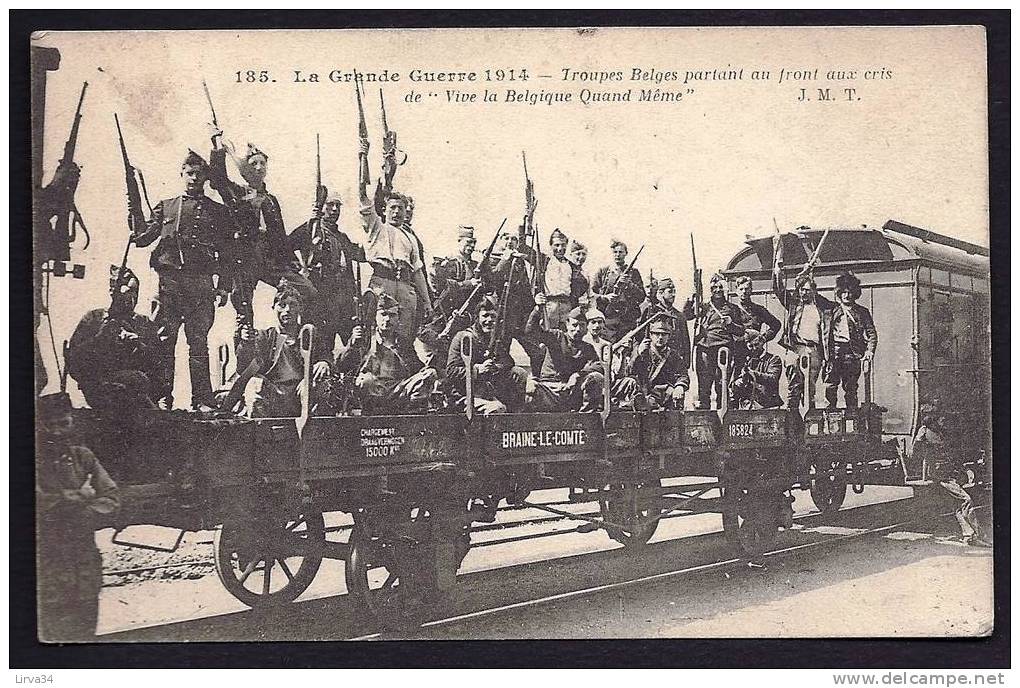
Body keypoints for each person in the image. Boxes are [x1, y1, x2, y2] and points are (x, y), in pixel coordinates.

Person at [130, 150, 234, 410]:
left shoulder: (217, 212)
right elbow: (143, 238)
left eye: (199, 174)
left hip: (201, 285)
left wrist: (223, 287)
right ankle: (164, 397)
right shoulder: (166, 206)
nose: (194, 178)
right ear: (181, 174)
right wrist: (132, 208)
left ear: (205, 178)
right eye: (189, 173)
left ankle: (202, 400)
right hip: (171, 285)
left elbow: (228, 253)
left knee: (198, 344)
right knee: (166, 342)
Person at [36, 392, 120, 641]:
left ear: (73, 422)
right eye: (50, 425)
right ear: (40, 426)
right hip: (49, 563)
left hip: (84, 562)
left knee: (85, 629)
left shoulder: (83, 457)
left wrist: (78, 508)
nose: (58, 432)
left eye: (64, 423)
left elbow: (111, 498)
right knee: (50, 632)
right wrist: (79, 497)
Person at [208, 127, 294, 339]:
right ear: (246, 169)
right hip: (246, 256)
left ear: (267, 168)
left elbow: (280, 236)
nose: (258, 167)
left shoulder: (272, 200)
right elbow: (218, 180)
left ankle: (291, 341)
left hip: (270, 258)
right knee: (244, 309)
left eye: (262, 163)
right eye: (253, 164)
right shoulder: (238, 193)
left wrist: (290, 260)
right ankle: (246, 354)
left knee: (302, 290)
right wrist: (218, 148)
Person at [357, 137, 432, 345]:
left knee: (405, 339)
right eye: (393, 208)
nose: (397, 211)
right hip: (382, 284)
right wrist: (363, 157)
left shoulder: (410, 238)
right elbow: (362, 194)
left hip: (406, 290)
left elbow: (417, 273)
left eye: (401, 208)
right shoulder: (376, 228)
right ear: (384, 210)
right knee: (376, 337)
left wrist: (426, 302)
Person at [219, 280, 330, 418]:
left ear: (300, 308)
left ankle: (317, 435)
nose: (287, 310)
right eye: (282, 305)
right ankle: (260, 434)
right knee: (255, 383)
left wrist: (324, 363)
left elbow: (325, 356)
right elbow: (245, 369)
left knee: (325, 386)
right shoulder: (265, 337)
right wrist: (246, 343)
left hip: (301, 394)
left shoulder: (309, 335)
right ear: (274, 308)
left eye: (293, 305)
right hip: (273, 395)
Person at [66, 265, 161, 412]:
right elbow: (74, 362)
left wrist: (139, 344)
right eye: (127, 292)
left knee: (138, 381)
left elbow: (159, 365)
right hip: (100, 388)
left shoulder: (144, 323)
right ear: (113, 292)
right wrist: (101, 338)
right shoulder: (94, 319)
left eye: (135, 292)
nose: (131, 298)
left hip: (138, 390)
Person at [288, 191, 365, 358]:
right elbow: (285, 246)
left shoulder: (342, 237)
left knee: (354, 347)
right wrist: (300, 269)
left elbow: (362, 255)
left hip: (343, 301)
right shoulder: (311, 229)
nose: (335, 209)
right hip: (320, 301)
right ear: (321, 206)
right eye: (330, 205)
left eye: (338, 206)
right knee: (320, 349)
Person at [337, 293, 437, 414]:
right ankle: (373, 414)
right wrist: (352, 345)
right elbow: (341, 366)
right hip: (373, 389)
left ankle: (409, 415)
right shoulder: (365, 339)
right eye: (383, 314)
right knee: (366, 380)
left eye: (392, 315)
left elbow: (417, 369)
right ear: (375, 317)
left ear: (398, 318)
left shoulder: (403, 342)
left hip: (397, 390)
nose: (387, 319)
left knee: (429, 374)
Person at [911, 402, 991, 547]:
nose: (943, 420)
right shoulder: (925, 432)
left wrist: (965, 469)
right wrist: (919, 442)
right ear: (932, 419)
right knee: (966, 500)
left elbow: (951, 456)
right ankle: (980, 535)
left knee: (958, 505)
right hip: (941, 475)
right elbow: (915, 453)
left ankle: (969, 535)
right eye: (939, 417)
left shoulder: (940, 433)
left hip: (948, 473)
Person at [446, 296, 529, 414]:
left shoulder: (494, 338)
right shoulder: (464, 338)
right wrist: (477, 370)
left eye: (493, 316)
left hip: (487, 391)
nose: (489, 320)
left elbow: (508, 362)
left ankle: (516, 417)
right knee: (498, 409)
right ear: (477, 318)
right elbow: (451, 371)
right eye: (485, 316)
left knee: (519, 373)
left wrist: (495, 367)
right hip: (464, 395)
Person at [525, 300, 604, 412]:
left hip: (571, 391)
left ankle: (585, 419)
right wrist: (537, 309)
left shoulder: (587, 347)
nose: (577, 329)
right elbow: (531, 331)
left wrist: (578, 375)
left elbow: (598, 366)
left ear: (586, 328)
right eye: (574, 325)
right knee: (531, 389)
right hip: (550, 389)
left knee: (596, 377)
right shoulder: (556, 336)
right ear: (567, 324)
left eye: (582, 325)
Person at [773, 271, 833, 410]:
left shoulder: (823, 308)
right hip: (795, 349)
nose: (804, 293)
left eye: (807, 289)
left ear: (813, 290)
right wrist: (778, 270)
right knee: (794, 386)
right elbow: (778, 289)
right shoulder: (793, 304)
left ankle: (809, 421)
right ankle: (792, 419)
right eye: (801, 290)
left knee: (809, 388)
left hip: (814, 350)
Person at [821, 271, 878, 408]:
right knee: (830, 385)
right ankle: (831, 414)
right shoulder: (831, 309)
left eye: (850, 292)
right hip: (833, 353)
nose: (847, 295)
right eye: (844, 292)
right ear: (839, 293)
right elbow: (816, 297)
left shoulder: (862, 312)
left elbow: (872, 334)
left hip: (852, 353)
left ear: (855, 293)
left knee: (851, 387)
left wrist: (870, 351)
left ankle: (852, 416)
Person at [692, 273, 746, 409]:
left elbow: (741, 330)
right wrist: (692, 299)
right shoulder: (703, 307)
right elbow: (687, 315)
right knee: (704, 385)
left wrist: (731, 324)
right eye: (714, 287)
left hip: (723, 349)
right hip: (704, 348)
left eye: (720, 287)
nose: (717, 290)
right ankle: (704, 416)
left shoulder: (733, 309)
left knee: (722, 385)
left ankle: (723, 414)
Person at [616, 315, 690, 410]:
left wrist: (679, 386)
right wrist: (638, 353)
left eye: (664, 334)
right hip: (643, 396)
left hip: (664, 396)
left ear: (669, 337)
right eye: (656, 334)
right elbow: (629, 373)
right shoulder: (643, 352)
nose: (660, 338)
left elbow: (683, 375)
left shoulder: (673, 355)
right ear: (651, 335)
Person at [593, 239, 646, 341]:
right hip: (608, 319)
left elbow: (641, 297)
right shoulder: (603, 272)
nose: (617, 255)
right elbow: (592, 294)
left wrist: (629, 284)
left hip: (627, 319)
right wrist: (605, 297)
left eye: (620, 252)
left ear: (626, 254)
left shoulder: (634, 273)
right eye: (615, 252)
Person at [537, 228, 588, 331]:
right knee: (548, 335)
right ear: (551, 246)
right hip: (550, 305)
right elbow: (523, 248)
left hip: (567, 306)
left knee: (566, 336)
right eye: (556, 245)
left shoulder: (571, 265)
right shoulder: (544, 260)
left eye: (563, 245)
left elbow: (582, 284)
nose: (560, 248)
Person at [640, 276, 692, 368]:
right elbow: (641, 335)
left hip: (674, 360)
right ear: (661, 293)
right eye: (670, 292)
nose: (673, 295)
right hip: (655, 359)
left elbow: (685, 341)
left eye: (674, 292)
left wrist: (686, 362)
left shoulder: (679, 316)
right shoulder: (652, 312)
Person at [730, 330, 784, 409]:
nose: (754, 348)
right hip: (747, 406)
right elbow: (732, 385)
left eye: (756, 344)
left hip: (769, 406)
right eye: (750, 346)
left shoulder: (773, 359)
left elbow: (773, 378)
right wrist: (738, 382)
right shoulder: (743, 361)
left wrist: (752, 374)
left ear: (762, 342)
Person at [432, 225, 480, 314]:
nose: (472, 246)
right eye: (469, 242)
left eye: (474, 243)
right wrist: (468, 284)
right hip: (447, 310)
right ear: (459, 241)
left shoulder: (475, 265)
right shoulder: (448, 263)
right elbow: (444, 286)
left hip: (469, 311)